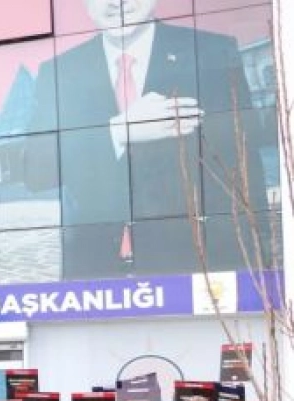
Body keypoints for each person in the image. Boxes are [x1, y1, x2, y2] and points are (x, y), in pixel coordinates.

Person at [24, 0, 268, 279]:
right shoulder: (59, 72)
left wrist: (261, 265)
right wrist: (119, 130)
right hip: (94, 273)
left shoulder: (211, 52)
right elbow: (36, 171)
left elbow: (245, 163)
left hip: (192, 269)